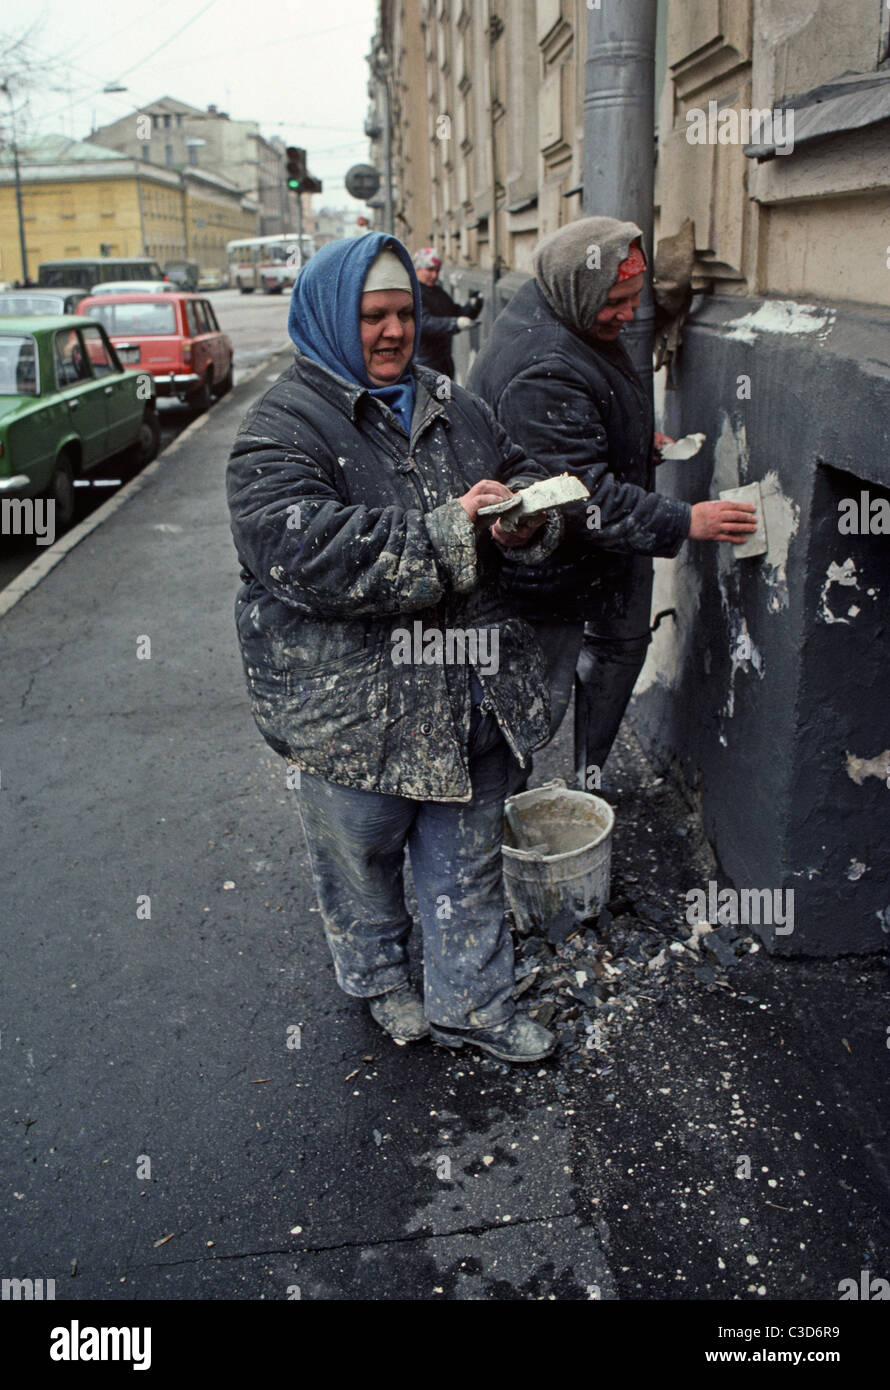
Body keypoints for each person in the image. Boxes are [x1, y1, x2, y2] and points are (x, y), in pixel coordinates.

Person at [226, 232, 568, 1064]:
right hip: (352, 717)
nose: (392, 332)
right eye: (371, 316)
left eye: (403, 314)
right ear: (330, 319)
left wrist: (527, 522)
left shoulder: (456, 404)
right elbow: (303, 552)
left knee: (468, 867)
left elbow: (521, 480)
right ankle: (379, 978)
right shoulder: (277, 430)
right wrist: (452, 531)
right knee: (364, 865)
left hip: (465, 698)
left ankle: (473, 1007)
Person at [467, 216, 756, 789]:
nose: (629, 315)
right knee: (528, 713)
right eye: (617, 302)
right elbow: (576, 496)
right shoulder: (541, 364)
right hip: (545, 581)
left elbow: (568, 440)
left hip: (585, 568)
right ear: (580, 288)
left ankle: (581, 786)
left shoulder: (561, 313)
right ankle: (500, 832)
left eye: (634, 298)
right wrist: (685, 520)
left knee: (616, 650)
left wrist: (628, 442)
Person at [413, 248, 484, 378]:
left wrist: (473, 306)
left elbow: (454, 312)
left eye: (437, 270)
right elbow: (424, 322)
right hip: (424, 365)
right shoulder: (413, 293)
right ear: (417, 269)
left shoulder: (437, 292)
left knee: (445, 396)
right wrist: (455, 324)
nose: (434, 275)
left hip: (443, 363)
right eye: (430, 270)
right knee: (433, 397)